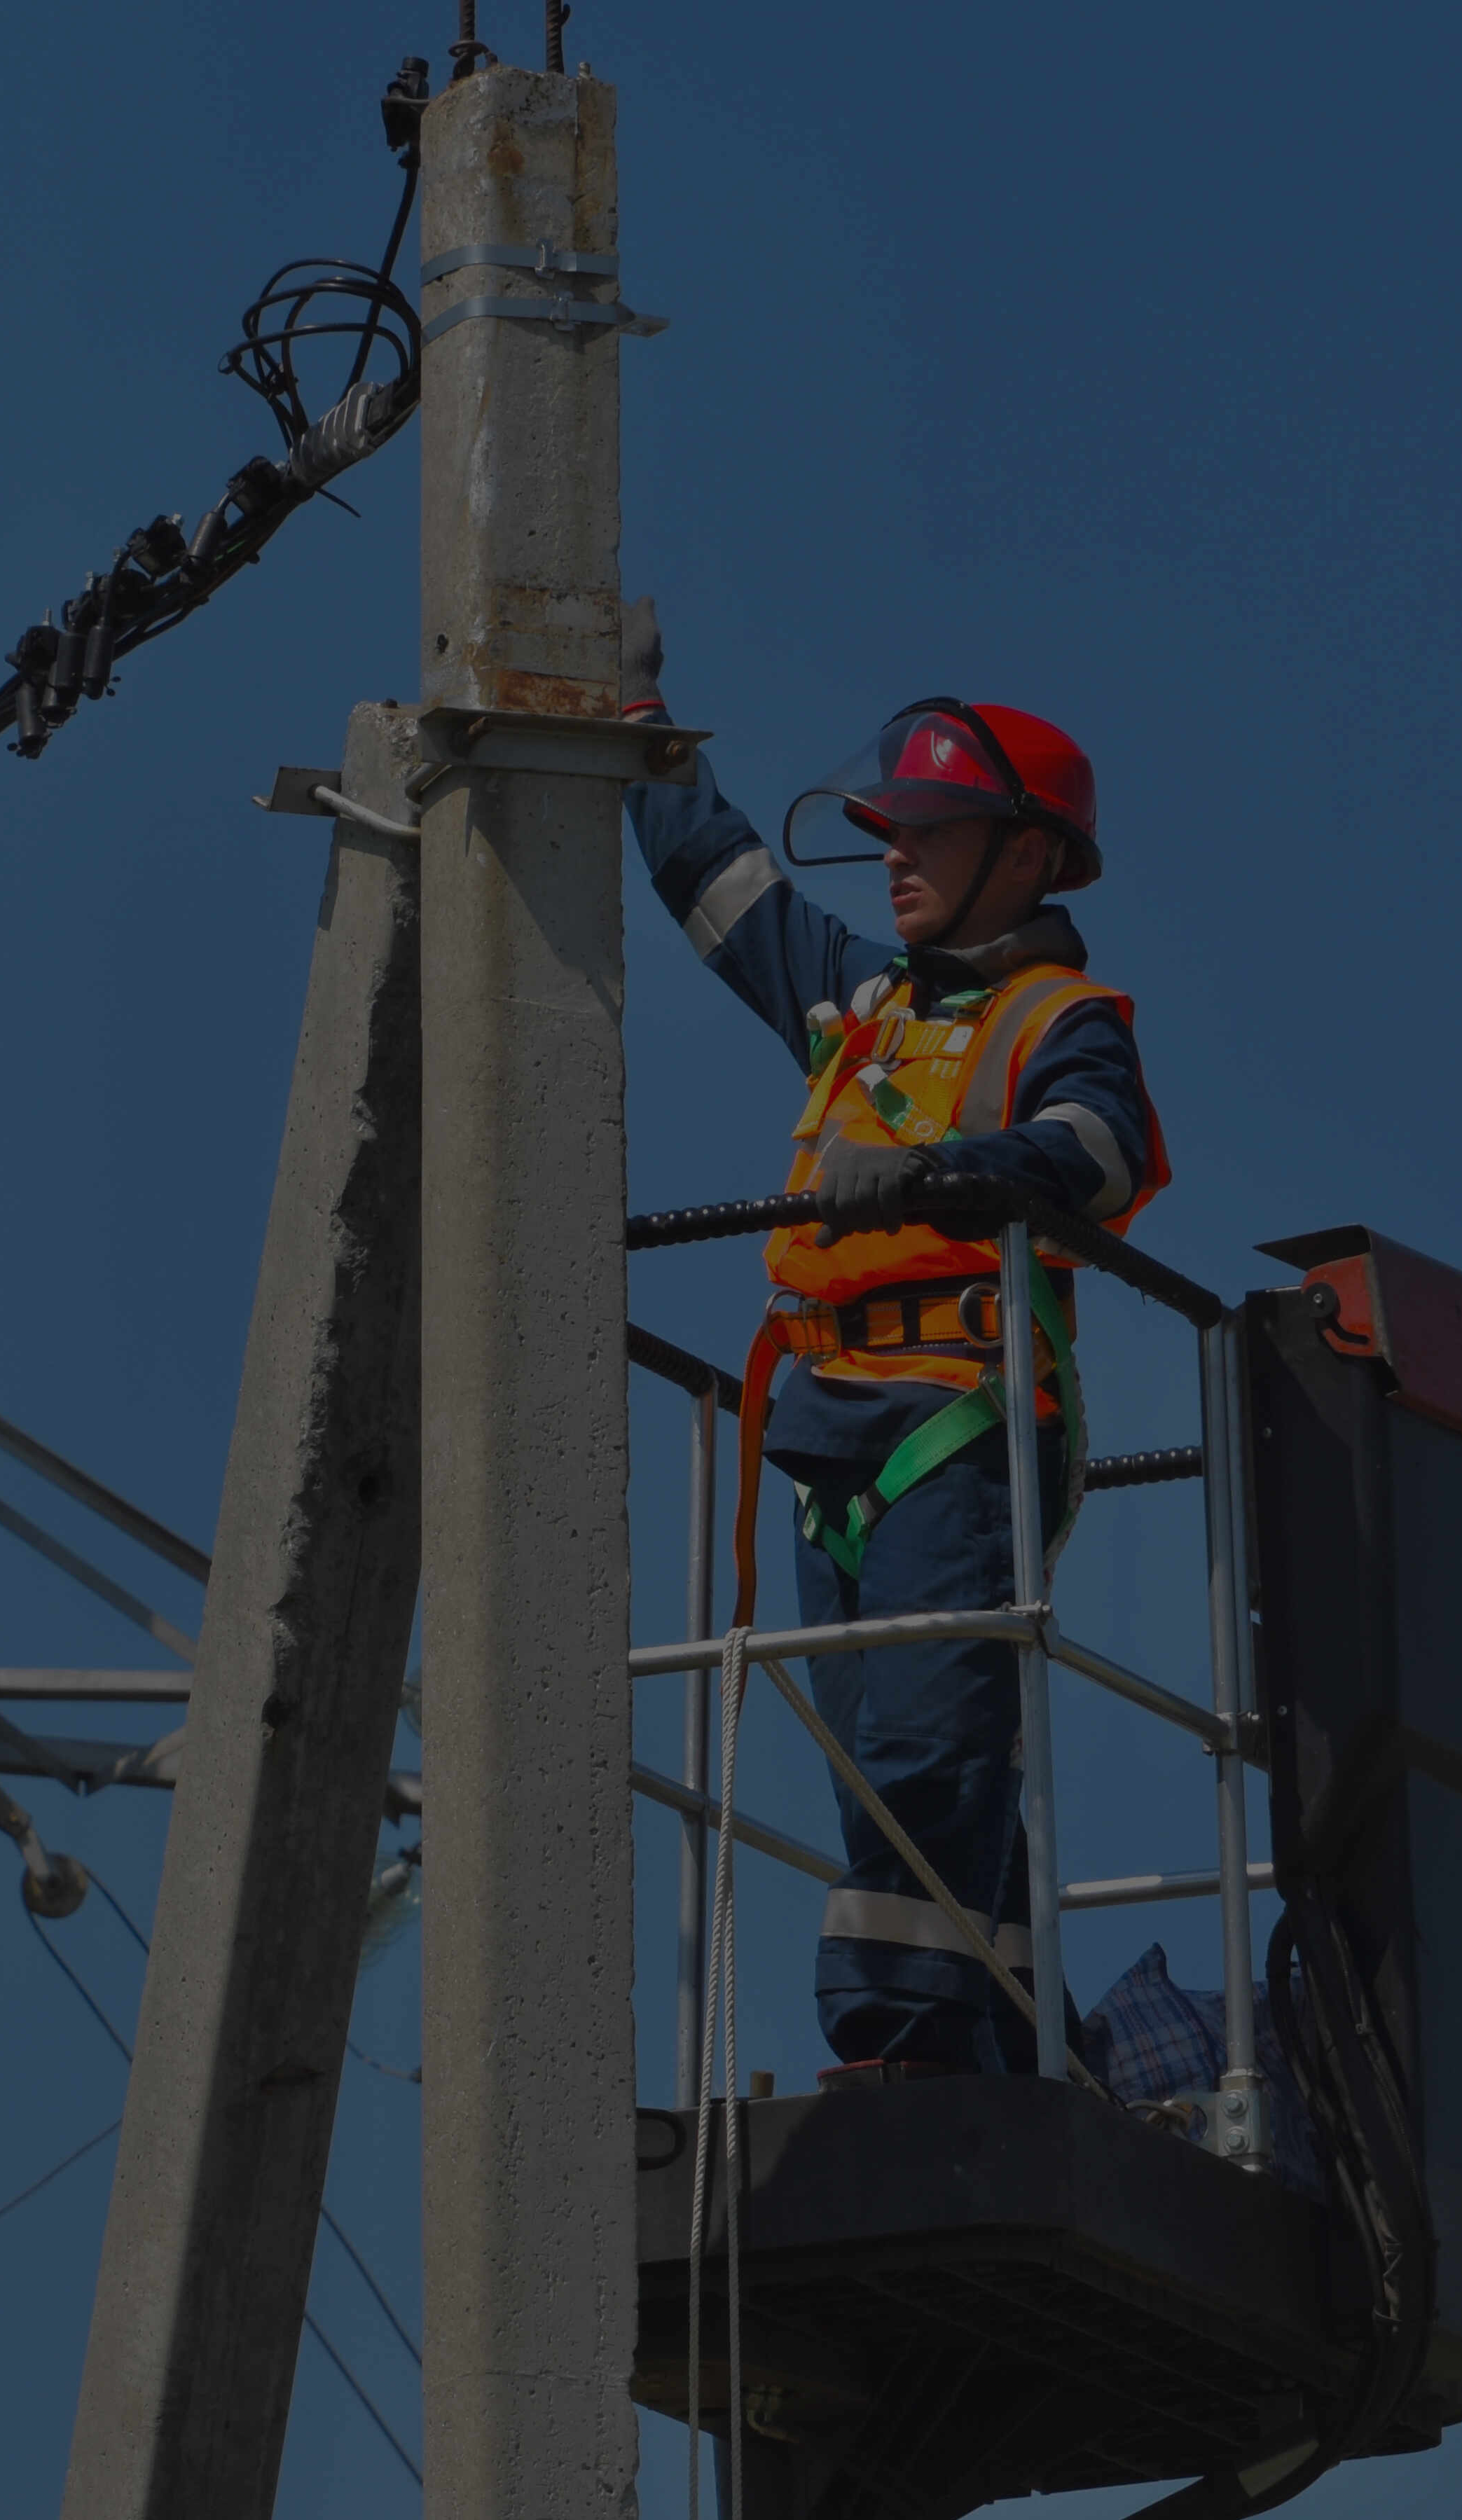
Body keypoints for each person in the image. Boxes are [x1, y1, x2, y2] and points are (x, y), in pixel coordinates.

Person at [620, 597, 1171, 2081]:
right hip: (822, 1427)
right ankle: (1003, 2041)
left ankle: (896, 2058)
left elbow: (1099, 1153)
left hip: (957, 1419)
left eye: (929, 830)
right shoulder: (863, 1007)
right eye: (890, 828)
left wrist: (944, 1172)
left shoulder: (1064, 1019)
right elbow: (721, 888)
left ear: (1030, 857)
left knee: (925, 1749)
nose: (894, 853)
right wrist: (636, 730)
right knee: (886, 1767)